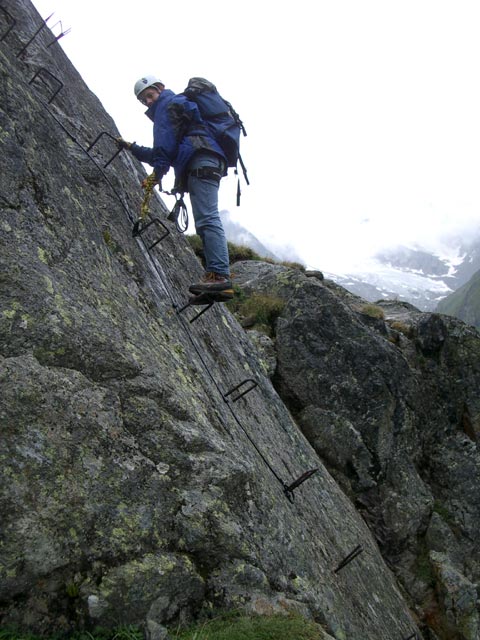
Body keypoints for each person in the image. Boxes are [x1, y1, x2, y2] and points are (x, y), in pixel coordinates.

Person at [118, 75, 233, 300]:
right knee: (205, 220)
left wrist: (155, 176)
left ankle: (219, 276)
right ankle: (216, 279)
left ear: (160, 89)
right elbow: (165, 153)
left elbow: (164, 149)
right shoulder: (177, 105)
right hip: (207, 160)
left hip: (202, 161)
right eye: (144, 101)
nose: (148, 102)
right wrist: (133, 148)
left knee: (208, 219)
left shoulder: (166, 105)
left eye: (149, 95)